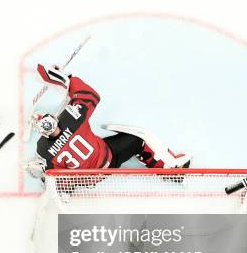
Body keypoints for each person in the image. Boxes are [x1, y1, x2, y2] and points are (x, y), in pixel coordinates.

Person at [25, 64, 191, 182]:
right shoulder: (71, 119)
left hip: (88, 180)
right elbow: (91, 96)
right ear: (55, 120)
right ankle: (168, 169)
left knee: (61, 181)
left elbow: (51, 174)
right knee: (137, 142)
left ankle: (67, 196)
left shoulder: (43, 148)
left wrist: (39, 175)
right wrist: (66, 80)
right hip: (108, 159)